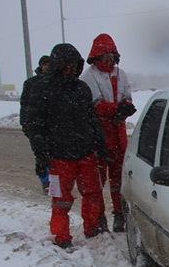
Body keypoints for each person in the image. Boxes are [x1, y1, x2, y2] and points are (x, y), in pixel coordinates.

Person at [28, 43, 109, 250]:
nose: (71, 69)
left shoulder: (81, 89)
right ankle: (61, 236)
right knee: (61, 200)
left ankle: (93, 229)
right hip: (59, 157)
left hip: (85, 153)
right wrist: (41, 154)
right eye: (68, 65)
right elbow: (35, 125)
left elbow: (92, 120)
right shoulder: (43, 90)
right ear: (59, 65)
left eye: (75, 65)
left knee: (92, 193)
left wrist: (100, 146)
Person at [82, 34, 136, 232]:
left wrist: (127, 106)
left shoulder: (121, 74)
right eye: (104, 56)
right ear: (96, 57)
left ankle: (119, 214)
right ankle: (98, 217)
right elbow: (95, 104)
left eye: (111, 56)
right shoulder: (89, 76)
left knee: (119, 178)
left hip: (118, 132)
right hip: (99, 133)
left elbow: (127, 96)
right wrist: (117, 109)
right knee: (97, 180)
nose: (108, 60)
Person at [20, 55, 53, 192]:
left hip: (53, 125)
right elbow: (24, 105)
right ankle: (45, 181)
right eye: (44, 64)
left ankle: (55, 181)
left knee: (54, 155)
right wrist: (25, 124)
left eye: (49, 64)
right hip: (35, 126)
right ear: (40, 66)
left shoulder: (56, 82)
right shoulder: (30, 83)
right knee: (41, 155)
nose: (47, 66)